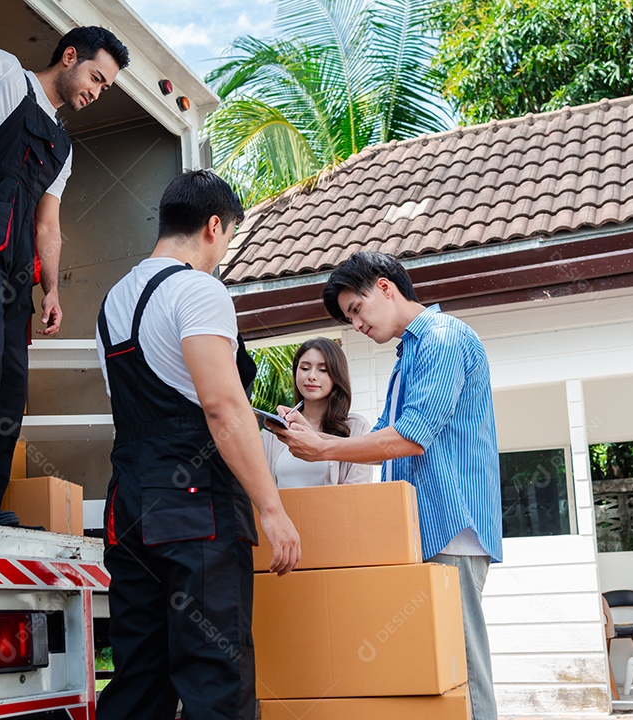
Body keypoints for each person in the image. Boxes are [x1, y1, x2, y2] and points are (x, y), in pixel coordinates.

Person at [94, 170, 301, 720]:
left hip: (131, 506)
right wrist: (272, 508)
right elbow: (222, 408)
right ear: (214, 226)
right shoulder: (198, 289)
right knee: (215, 676)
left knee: (138, 677)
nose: (224, 251)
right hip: (195, 510)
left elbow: (154, 397)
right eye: (230, 236)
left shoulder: (114, 300)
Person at [274, 251, 502, 720]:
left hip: (449, 526)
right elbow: (379, 435)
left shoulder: (441, 339)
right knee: (434, 669)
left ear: (383, 287)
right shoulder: (409, 354)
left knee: (463, 667)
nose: (355, 324)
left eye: (356, 309)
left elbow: (409, 438)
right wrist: (314, 437)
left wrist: (323, 449)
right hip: (419, 529)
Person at [0, 0, 129, 525]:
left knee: (13, 384)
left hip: (15, 271)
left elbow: (47, 225)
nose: (96, 90)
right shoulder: (3, 76)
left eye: (105, 87)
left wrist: (53, 291)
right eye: (95, 77)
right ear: (68, 56)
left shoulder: (62, 145)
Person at [261, 338, 372, 488]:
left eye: (323, 370)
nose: (311, 376)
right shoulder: (274, 431)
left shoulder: (356, 427)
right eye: (305, 368)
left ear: (337, 375)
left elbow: (357, 490)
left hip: (335, 511)